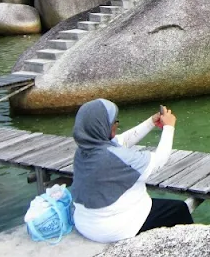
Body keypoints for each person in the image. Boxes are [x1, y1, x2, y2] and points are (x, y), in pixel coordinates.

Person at [70, 98, 194, 243]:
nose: (116, 125)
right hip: (113, 229)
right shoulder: (115, 157)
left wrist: (151, 123)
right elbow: (159, 160)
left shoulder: (84, 149)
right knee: (179, 209)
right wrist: (169, 127)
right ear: (102, 126)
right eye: (114, 122)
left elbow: (122, 140)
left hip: (85, 223)